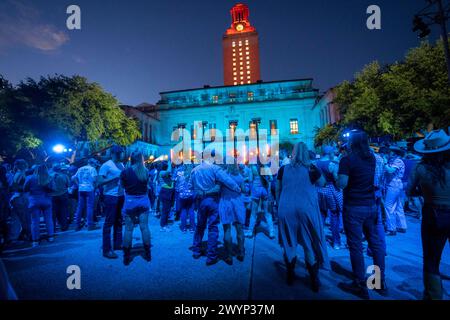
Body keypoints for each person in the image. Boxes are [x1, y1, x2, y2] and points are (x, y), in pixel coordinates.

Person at [337, 131, 387, 299]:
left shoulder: (347, 160)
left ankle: (360, 284)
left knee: (356, 246)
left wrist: (336, 177)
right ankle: (378, 282)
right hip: (371, 205)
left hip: (354, 207)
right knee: (376, 244)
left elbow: (342, 184)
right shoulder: (372, 158)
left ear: (352, 143)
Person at [276, 142, 329, 291]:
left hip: (285, 209)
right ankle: (313, 279)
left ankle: (290, 275)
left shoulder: (283, 169)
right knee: (308, 245)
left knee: (289, 243)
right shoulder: (312, 169)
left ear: (292, 153)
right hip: (306, 210)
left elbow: (277, 190)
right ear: (306, 153)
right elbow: (322, 183)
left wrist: (278, 205)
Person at [407, 129, 450, 300]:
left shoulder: (421, 167)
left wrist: (424, 190)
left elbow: (409, 191)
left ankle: (434, 295)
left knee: (432, 260)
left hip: (434, 215)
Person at [190, 153, 240, 266]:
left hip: (201, 201)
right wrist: (237, 188)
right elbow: (227, 180)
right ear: (211, 158)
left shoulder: (195, 170)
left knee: (200, 226)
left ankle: (196, 250)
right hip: (213, 201)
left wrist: (199, 191)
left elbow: (190, 186)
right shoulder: (214, 168)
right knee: (213, 227)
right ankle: (211, 256)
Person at [120, 151, 152, 266]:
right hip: (143, 200)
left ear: (131, 159)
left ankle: (126, 257)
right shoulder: (146, 171)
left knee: (128, 230)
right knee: (144, 227)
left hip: (130, 202)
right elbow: (148, 186)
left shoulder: (125, 172)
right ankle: (148, 254)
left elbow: (122, 187)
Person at [98, 146, 125, 259]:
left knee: (119, 221)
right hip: (110, 196)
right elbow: (99, 182)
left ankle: (117, 244)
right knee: (109, 222)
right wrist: (115, 178)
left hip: (120, 195)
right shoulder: (106, 165)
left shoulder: (121, 165)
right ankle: (107, 249)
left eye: (121, 153)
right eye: (118, 153)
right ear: (112, 153)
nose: (120, 155)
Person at [316, 145, 343, 249]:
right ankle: (336, 242)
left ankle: (320, 240)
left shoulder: (316, 163)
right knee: (334, 215)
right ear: (329, 153)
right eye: (333, 151)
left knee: (322, 214)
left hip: (319, 190)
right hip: (331, 190)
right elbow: (336, 179)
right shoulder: (332, 164)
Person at [219, 164, 246, 265]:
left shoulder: (223, 176)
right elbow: (244, 190)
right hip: (237, 203)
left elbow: (218, 189)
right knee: (239, 229)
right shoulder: (239, 176)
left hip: (225, 203)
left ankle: (229, 256)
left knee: (227, 229)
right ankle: (241, 252)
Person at [23, 164, 54, 247]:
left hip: (34, 201)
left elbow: (25, 189)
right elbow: (53, 189)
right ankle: (51, 237)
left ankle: (35, 241)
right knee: (48, 219)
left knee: (34, 221)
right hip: (46, 200)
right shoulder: (49, 177)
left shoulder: (30, 178)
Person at [245, 164, 275, 239]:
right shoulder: (266, 168)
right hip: (264, 190)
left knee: (253, 213)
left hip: (255, 191)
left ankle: (250, 231)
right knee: (267, 213)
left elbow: (250, 180)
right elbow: (271, 179)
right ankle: (271, 232)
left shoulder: (253, 168)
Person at [384, 146, 407, 235]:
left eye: (390, 152)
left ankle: (391, 228)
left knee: (388, 206)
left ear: (394, 152)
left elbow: (390, 171)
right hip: (395, 185)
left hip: (394, 185)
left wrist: (385, 163)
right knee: (398, 206)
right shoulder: (394, 160)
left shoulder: (398, 161)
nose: (388, 153)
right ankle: (402, 226)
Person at [72, 158, 99, 231]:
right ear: (93, 163)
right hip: (89, 189)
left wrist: (78, 185)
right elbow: (95, 180)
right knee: (89, 207)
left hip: (81, 189)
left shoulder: (80, 168)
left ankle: (77, 226)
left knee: (80, 207)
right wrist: (95, 188)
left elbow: (73, 178)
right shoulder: (92, 169)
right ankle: (90, 225)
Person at [9, 159, 30, 241]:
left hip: (20, 197)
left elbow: (14, 187)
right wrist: (26, 188)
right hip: (21, 197)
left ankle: (23, 234)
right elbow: (15, 187)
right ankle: (26, 234)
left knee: (22, 217)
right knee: (24, 217)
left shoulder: (20, 173)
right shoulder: (20, 174)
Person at [50, 163, 70, 232]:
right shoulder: (64, 176)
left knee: (53, 212)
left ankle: (52, 228)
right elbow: (68, 185)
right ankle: (63, 226)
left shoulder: (49, 176)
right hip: (63, 194)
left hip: (52, 196)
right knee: (63, 211)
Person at [175, 164, 196, 233]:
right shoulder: (193, 173)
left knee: (183, 210)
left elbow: (177, 184)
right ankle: (192, 228)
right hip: (191, 194)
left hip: (182, 195)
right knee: (191, 211)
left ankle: (183, 228)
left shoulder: (179, 172)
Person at [158, 165, 175, 232]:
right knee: (165, 210)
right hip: (165, 191)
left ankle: (165, 224)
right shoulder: (161, 172)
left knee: (167, 209)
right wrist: (170, 162)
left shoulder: (165, 172)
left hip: (169, 192)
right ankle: (162, 226)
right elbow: (168, 172)